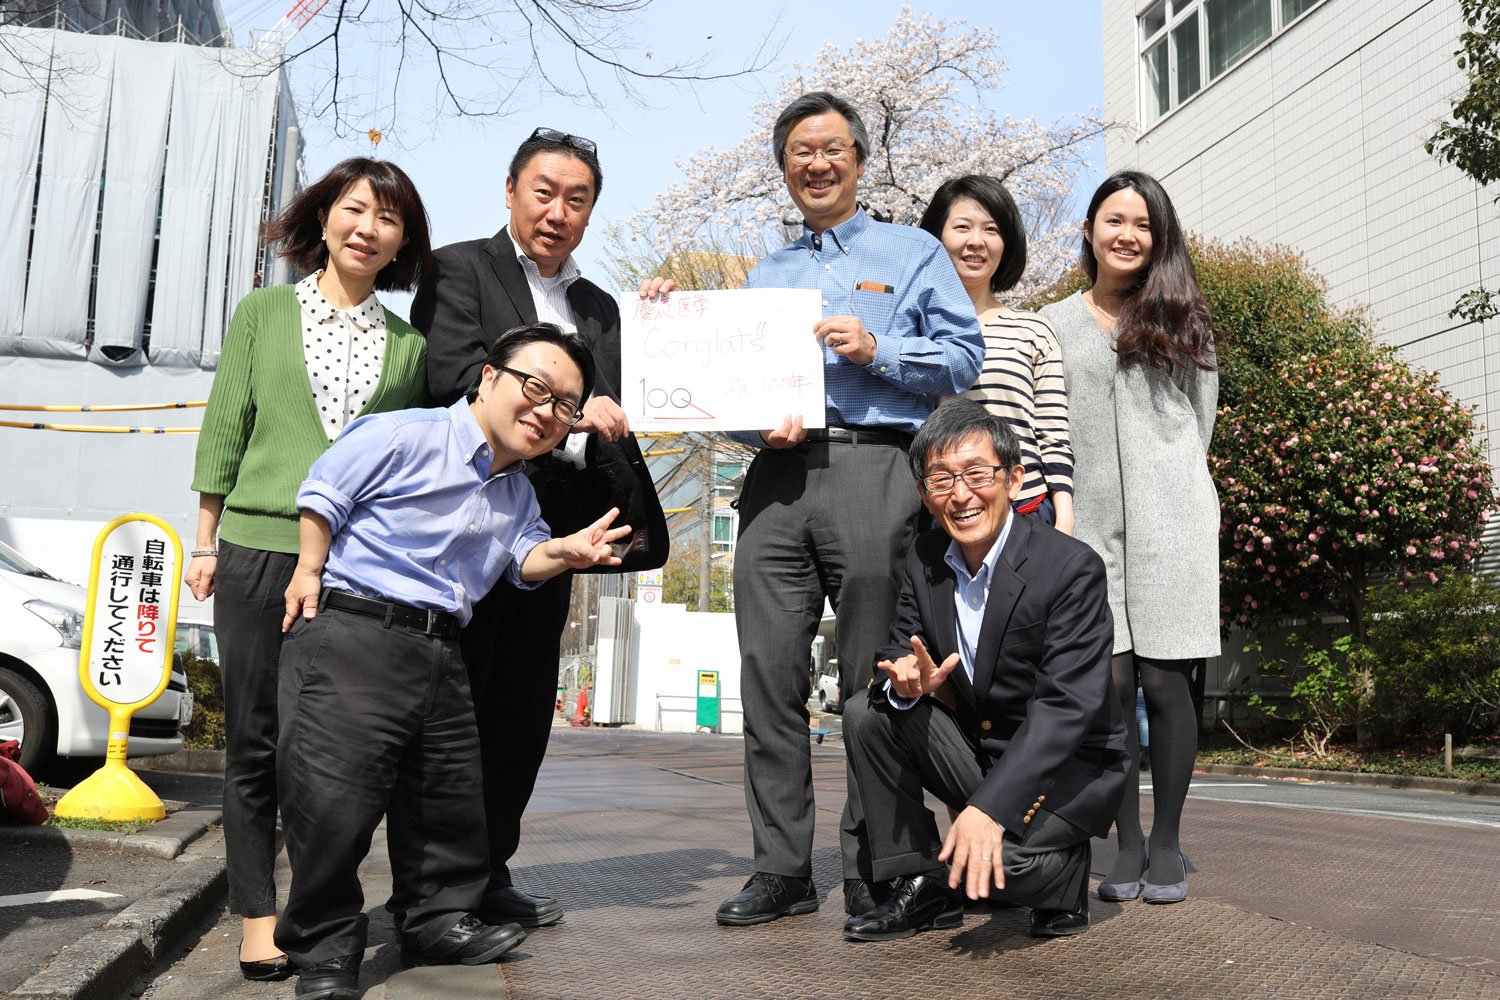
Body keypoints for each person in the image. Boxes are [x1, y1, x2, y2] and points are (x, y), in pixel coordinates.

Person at [644, 91, 984, 927]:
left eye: (833, 148)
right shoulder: (765, 276)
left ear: (859, 161)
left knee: (874, 677)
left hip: (876, 467)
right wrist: (672, 331)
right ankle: (781, 869)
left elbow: (963, 358)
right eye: (801, 151)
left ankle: (877, 863)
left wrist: (879, 348)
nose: (817, 163)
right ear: (784, 168)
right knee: (766, 675)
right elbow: (725, 392)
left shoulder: (912, 252)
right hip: (775, 478)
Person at [274, 324, 630, 1000]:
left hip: (441, 645)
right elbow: (324, 493)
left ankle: (435, 921)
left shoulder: (518, 493)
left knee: (448, 797)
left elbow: (524, 560)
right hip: (357, 628)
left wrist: (567, 551)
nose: (547, 411)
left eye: (565, 405)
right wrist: (308, 569)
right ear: (489, 377)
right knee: (334, 804)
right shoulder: (404, 434)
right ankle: (324, 950)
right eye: (536, 388)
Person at [184, 158, 432, 981]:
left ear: (402, 242)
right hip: (257, 553)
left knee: (331, 753)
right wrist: (205, 539)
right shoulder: (263, 313)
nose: (368, 229)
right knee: (253, 743)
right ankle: (258, 918)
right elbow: (227, 424)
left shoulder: (410, 348)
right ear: (323, 218)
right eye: (355, 210)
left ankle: (319, 909)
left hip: (352, 571)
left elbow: (399, 469)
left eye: (388, 218)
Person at [410, 127, 630, 930]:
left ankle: (488, 869)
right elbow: (448, 375)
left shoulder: (600, 306)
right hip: (468, 521)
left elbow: (617, 406)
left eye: (577, 199)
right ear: (510, 191)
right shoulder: (457, 269)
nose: (557, 211)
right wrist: (565, 415)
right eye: (544, 192)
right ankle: (432, 888)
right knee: (456, 704)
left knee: (523, 708)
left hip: (555, 531)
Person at [839, 399, 1128, 942]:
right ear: (924, 494)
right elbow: (899, 642)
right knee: (868, 711)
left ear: (1013, 479)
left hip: (1065, 767)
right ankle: (920, 883)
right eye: (941, 480)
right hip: (980, 753)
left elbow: (1066, 707)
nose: (961, 494)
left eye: (977, 474)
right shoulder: (926, 556)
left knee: (992, 870)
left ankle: (1057, 872)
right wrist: (905, 678)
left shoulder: (1071, 567)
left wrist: (988, 810)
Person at [1038, 170, 1219, 904]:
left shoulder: (1183, 317)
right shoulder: (1051, 324)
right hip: (1085, 528)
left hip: (1172, 521)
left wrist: (1173, 491)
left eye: (1144, 224)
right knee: (1107, 687)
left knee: (1167, 684)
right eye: (1115, 220)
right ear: (1088, 231)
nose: (1128, 235)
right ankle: (1128, 841)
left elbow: (1200, 423)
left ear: (1159, 237)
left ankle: (1167, 839)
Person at [918, 174, 1074, 533]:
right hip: (946, 512)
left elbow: (1053, 431)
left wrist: (1064, 514)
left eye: (991, 230)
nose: (976, 241)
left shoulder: (1033, 330)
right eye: (962, 227)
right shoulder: (913, 332)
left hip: (1026, 509)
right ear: (936, 236)